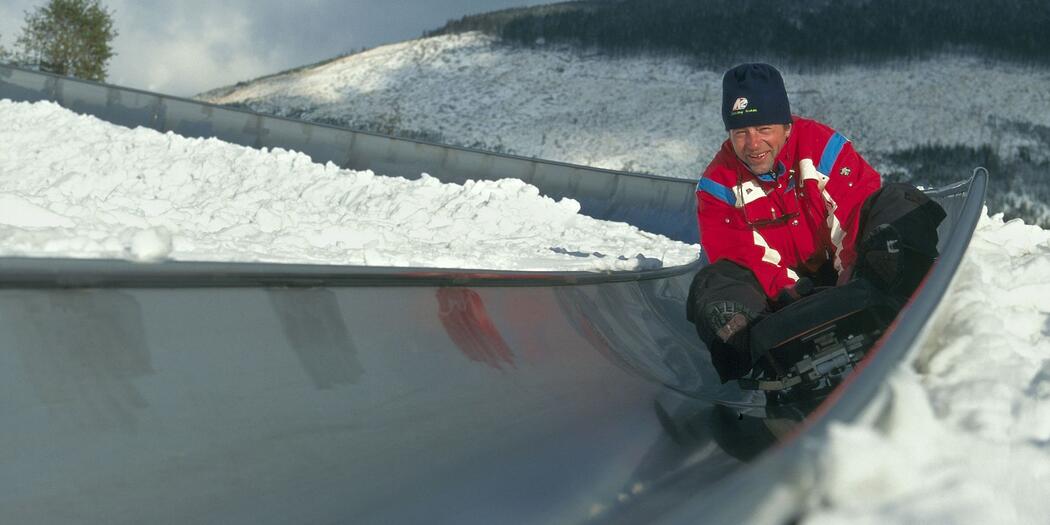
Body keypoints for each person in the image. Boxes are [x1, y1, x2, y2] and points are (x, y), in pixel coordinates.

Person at [686, 63, 946, 382]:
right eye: (741, 132)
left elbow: (855, 209)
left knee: (899, 199)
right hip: (777, 302)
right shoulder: (717, 187)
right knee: (714, 279)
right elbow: (740, 254)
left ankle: (899, 290)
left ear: (786, 126)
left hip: (855, 274)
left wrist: (850, 275)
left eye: (763, 129)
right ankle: (753, 356)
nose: (753, 144)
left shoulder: (821, 147)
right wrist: (792, 292)